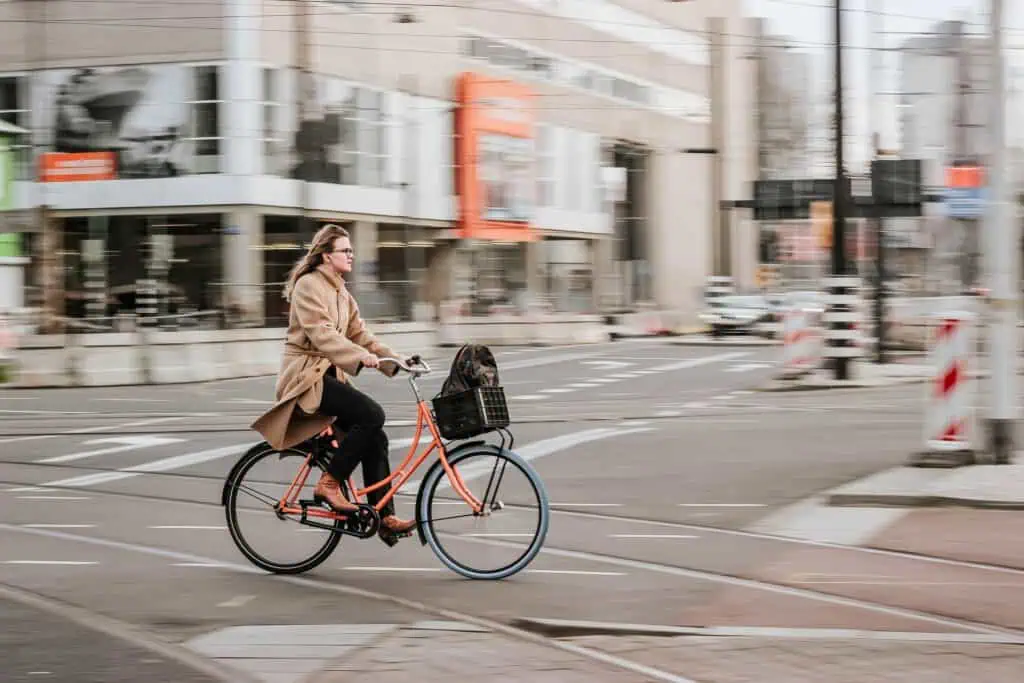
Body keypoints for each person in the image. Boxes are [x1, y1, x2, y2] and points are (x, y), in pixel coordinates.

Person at [251, 223, 417, 546]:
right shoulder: (308, 286)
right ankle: (329, 484)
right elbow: (322, 335)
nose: (351, 255)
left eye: (351, 250)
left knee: (376, 437)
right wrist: (359, 357)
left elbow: (361, 335)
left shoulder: (342, 291)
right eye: (345, 250)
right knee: (372, 414)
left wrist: (396, 361)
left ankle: (384, 517)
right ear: (327, 256)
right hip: (306, 377)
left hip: (328, 376)